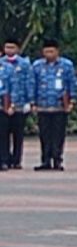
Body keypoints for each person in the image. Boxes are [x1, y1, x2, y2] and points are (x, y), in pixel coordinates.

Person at [31, 39, 76, 170]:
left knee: (58, 134)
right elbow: (33, 84)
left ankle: (57, 160)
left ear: (57, 51)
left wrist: (72, 100)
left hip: (60, 105)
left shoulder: (66, 65)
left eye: (51, 51)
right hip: (43, 105)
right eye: (46, 51)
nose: (49, 54)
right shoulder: (37, 65)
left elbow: (71, 83)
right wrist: (33, 102)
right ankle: (45, 160)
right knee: (44, 134)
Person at [0, 39, 33, 170]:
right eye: (7, 47)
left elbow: (28, 82)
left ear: (18, 49)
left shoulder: (24, 64)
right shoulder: (2, 64)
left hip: (19, 103)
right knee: (3, 133)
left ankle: (16, 159)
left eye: (12, 47)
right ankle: (4, 159)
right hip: (3, 105)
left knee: (17, 134)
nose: (9, 50)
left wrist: (29, 101)